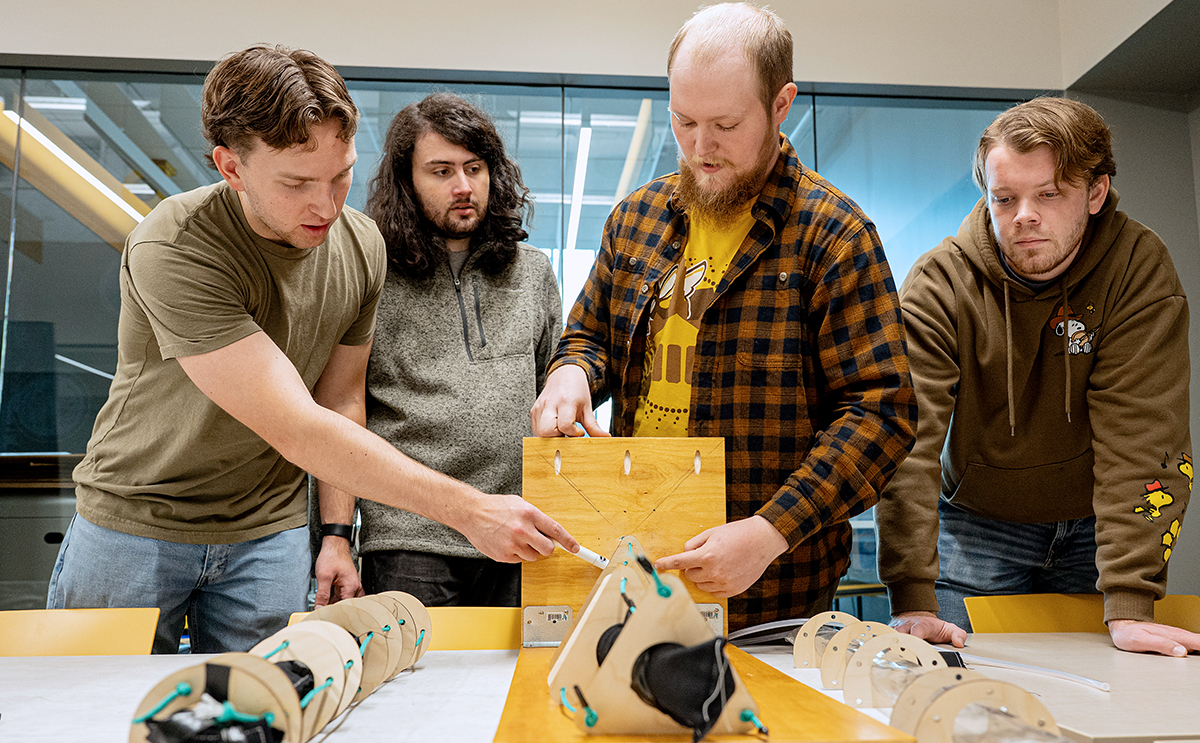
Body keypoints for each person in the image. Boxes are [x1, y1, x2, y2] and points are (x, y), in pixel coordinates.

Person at [48, 45, 576, 654]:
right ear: (231, 166)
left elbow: (341, 400)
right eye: (296, 183)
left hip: (267, 533)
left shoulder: (359, 246)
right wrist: (471, 510)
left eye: (340, 174)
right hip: (137, 524)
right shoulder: (175, 245)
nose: (325, 206)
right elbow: (297, 426)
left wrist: (332, 533)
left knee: (269, 710)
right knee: (98, 712)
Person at [530, 2, 917, 631]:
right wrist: (572, 372)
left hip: (774, 590)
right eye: (683, 121)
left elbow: (881, 414)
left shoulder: (835, 237)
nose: (700, 149)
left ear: (780, 104)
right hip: (641, 567)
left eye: (725, 125)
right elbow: (590, 335)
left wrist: (769, 532)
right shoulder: (636, 219)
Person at [876, 96, 1200, 657]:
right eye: (1004, 198)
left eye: (1048, 195)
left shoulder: (1137, 268)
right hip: (977, 526)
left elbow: (1144, 436)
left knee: (1107, 703)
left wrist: (1129, 599)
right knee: (960, 703)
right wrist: (911, 598)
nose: (1023, 214)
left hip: (1096, 522)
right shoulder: (941, 281)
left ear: (1095, 193)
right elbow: (910, 440)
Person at [314, 93, 561, 607]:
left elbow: (551, 399)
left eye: (475, 168)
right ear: (407, 182)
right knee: (415, 686)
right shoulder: (371, 272)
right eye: (442, 171)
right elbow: (341, 410)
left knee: (517, 684)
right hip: (410, 540)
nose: (464, 186)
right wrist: (336, 534)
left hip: (519, 533)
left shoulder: (533, 272)